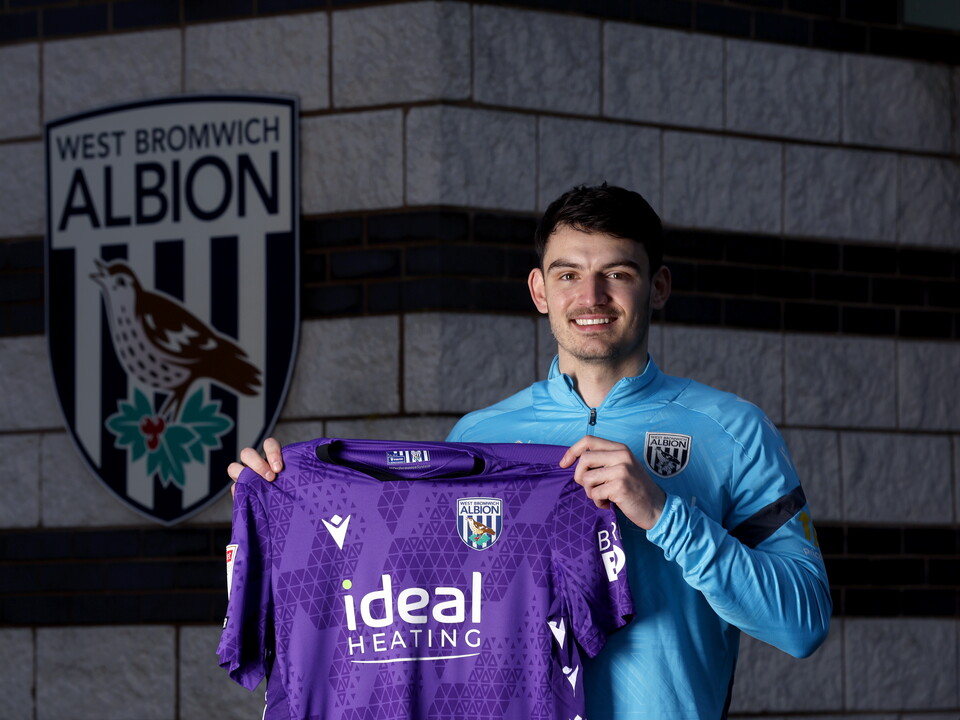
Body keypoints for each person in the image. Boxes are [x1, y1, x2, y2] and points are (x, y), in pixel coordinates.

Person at [229, 184, 832, 719]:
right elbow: (406, 609)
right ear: (539, 290)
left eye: (618, 273)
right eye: (568, 274)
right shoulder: (477, 441)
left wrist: (665, 516)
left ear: (659, 287)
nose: (591, 296)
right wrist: (280, 512)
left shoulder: (734, 431)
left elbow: (802, 625)